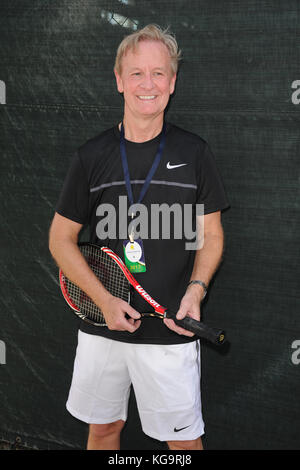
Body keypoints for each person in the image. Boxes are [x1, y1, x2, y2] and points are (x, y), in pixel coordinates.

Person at [49, 24, 229, 451]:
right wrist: (103, 300)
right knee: (104, 430)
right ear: (118, 80)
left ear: (172, 83)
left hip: (171, 333)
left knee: (184, 446)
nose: (147, 84)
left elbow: (213, 235)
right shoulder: (91, 156)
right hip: (101, 329)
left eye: (159, 73)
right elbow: (60, 239)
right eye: (136, 73)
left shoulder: (194, 152)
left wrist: (196, 291)